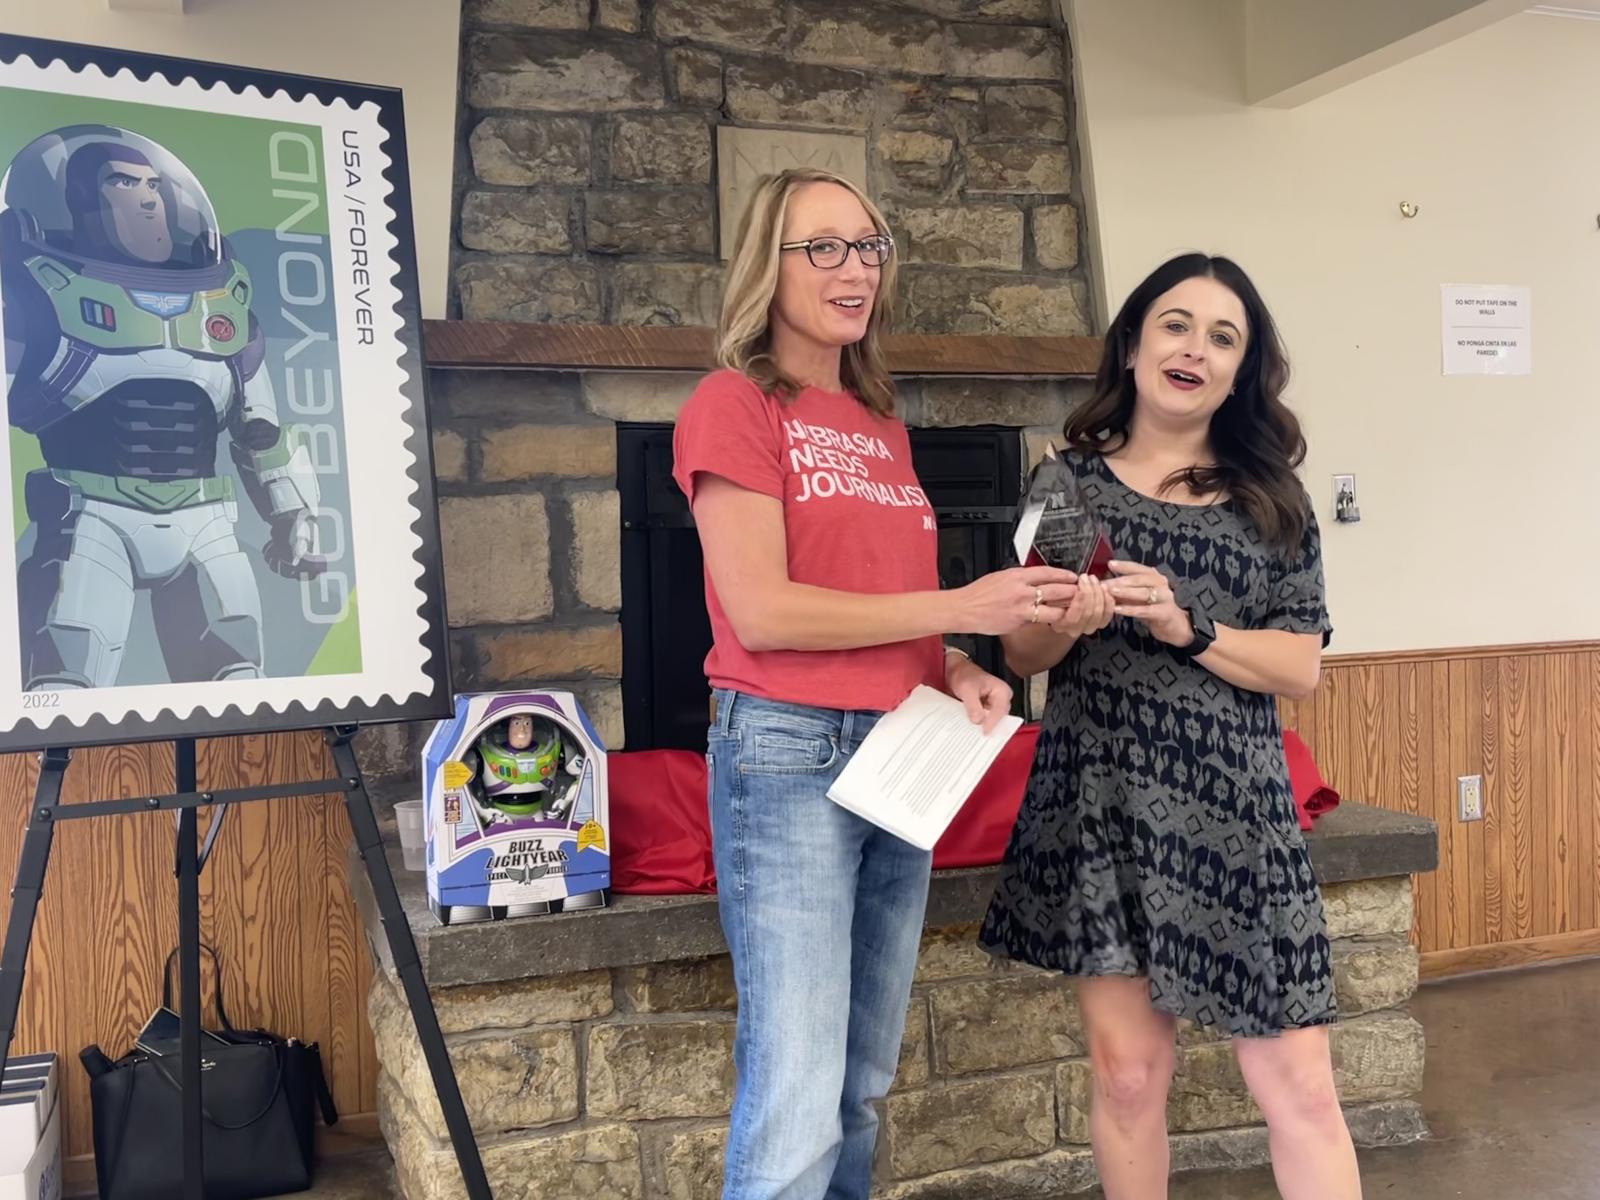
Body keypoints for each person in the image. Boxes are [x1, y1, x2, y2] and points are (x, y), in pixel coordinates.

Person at [671, 167, 1079, 1200]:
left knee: (859, 1081)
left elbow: (880, 597)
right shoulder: (732, 405)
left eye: (867, 247)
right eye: (823, 247)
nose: (853, 269)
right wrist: (958, 614)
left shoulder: (875, 420)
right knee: (798, 1087)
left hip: (899, 751)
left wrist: (952, 666)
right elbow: (762, 612)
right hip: (786, 753)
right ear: (769, 263)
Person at [981, 253, 1358, 1200]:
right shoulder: (1063, 483)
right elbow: (1023, 659)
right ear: (1136, 342)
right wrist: (1059, 622)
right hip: (1100, 804)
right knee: (1128, 1077)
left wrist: (1188, 626)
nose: (1196, 347)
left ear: (1242, 372)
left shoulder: (1272, 499)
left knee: (1300, 1087)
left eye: (1223, 336)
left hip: (1236, 816)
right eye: (1177, 324)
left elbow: (1299, 667)